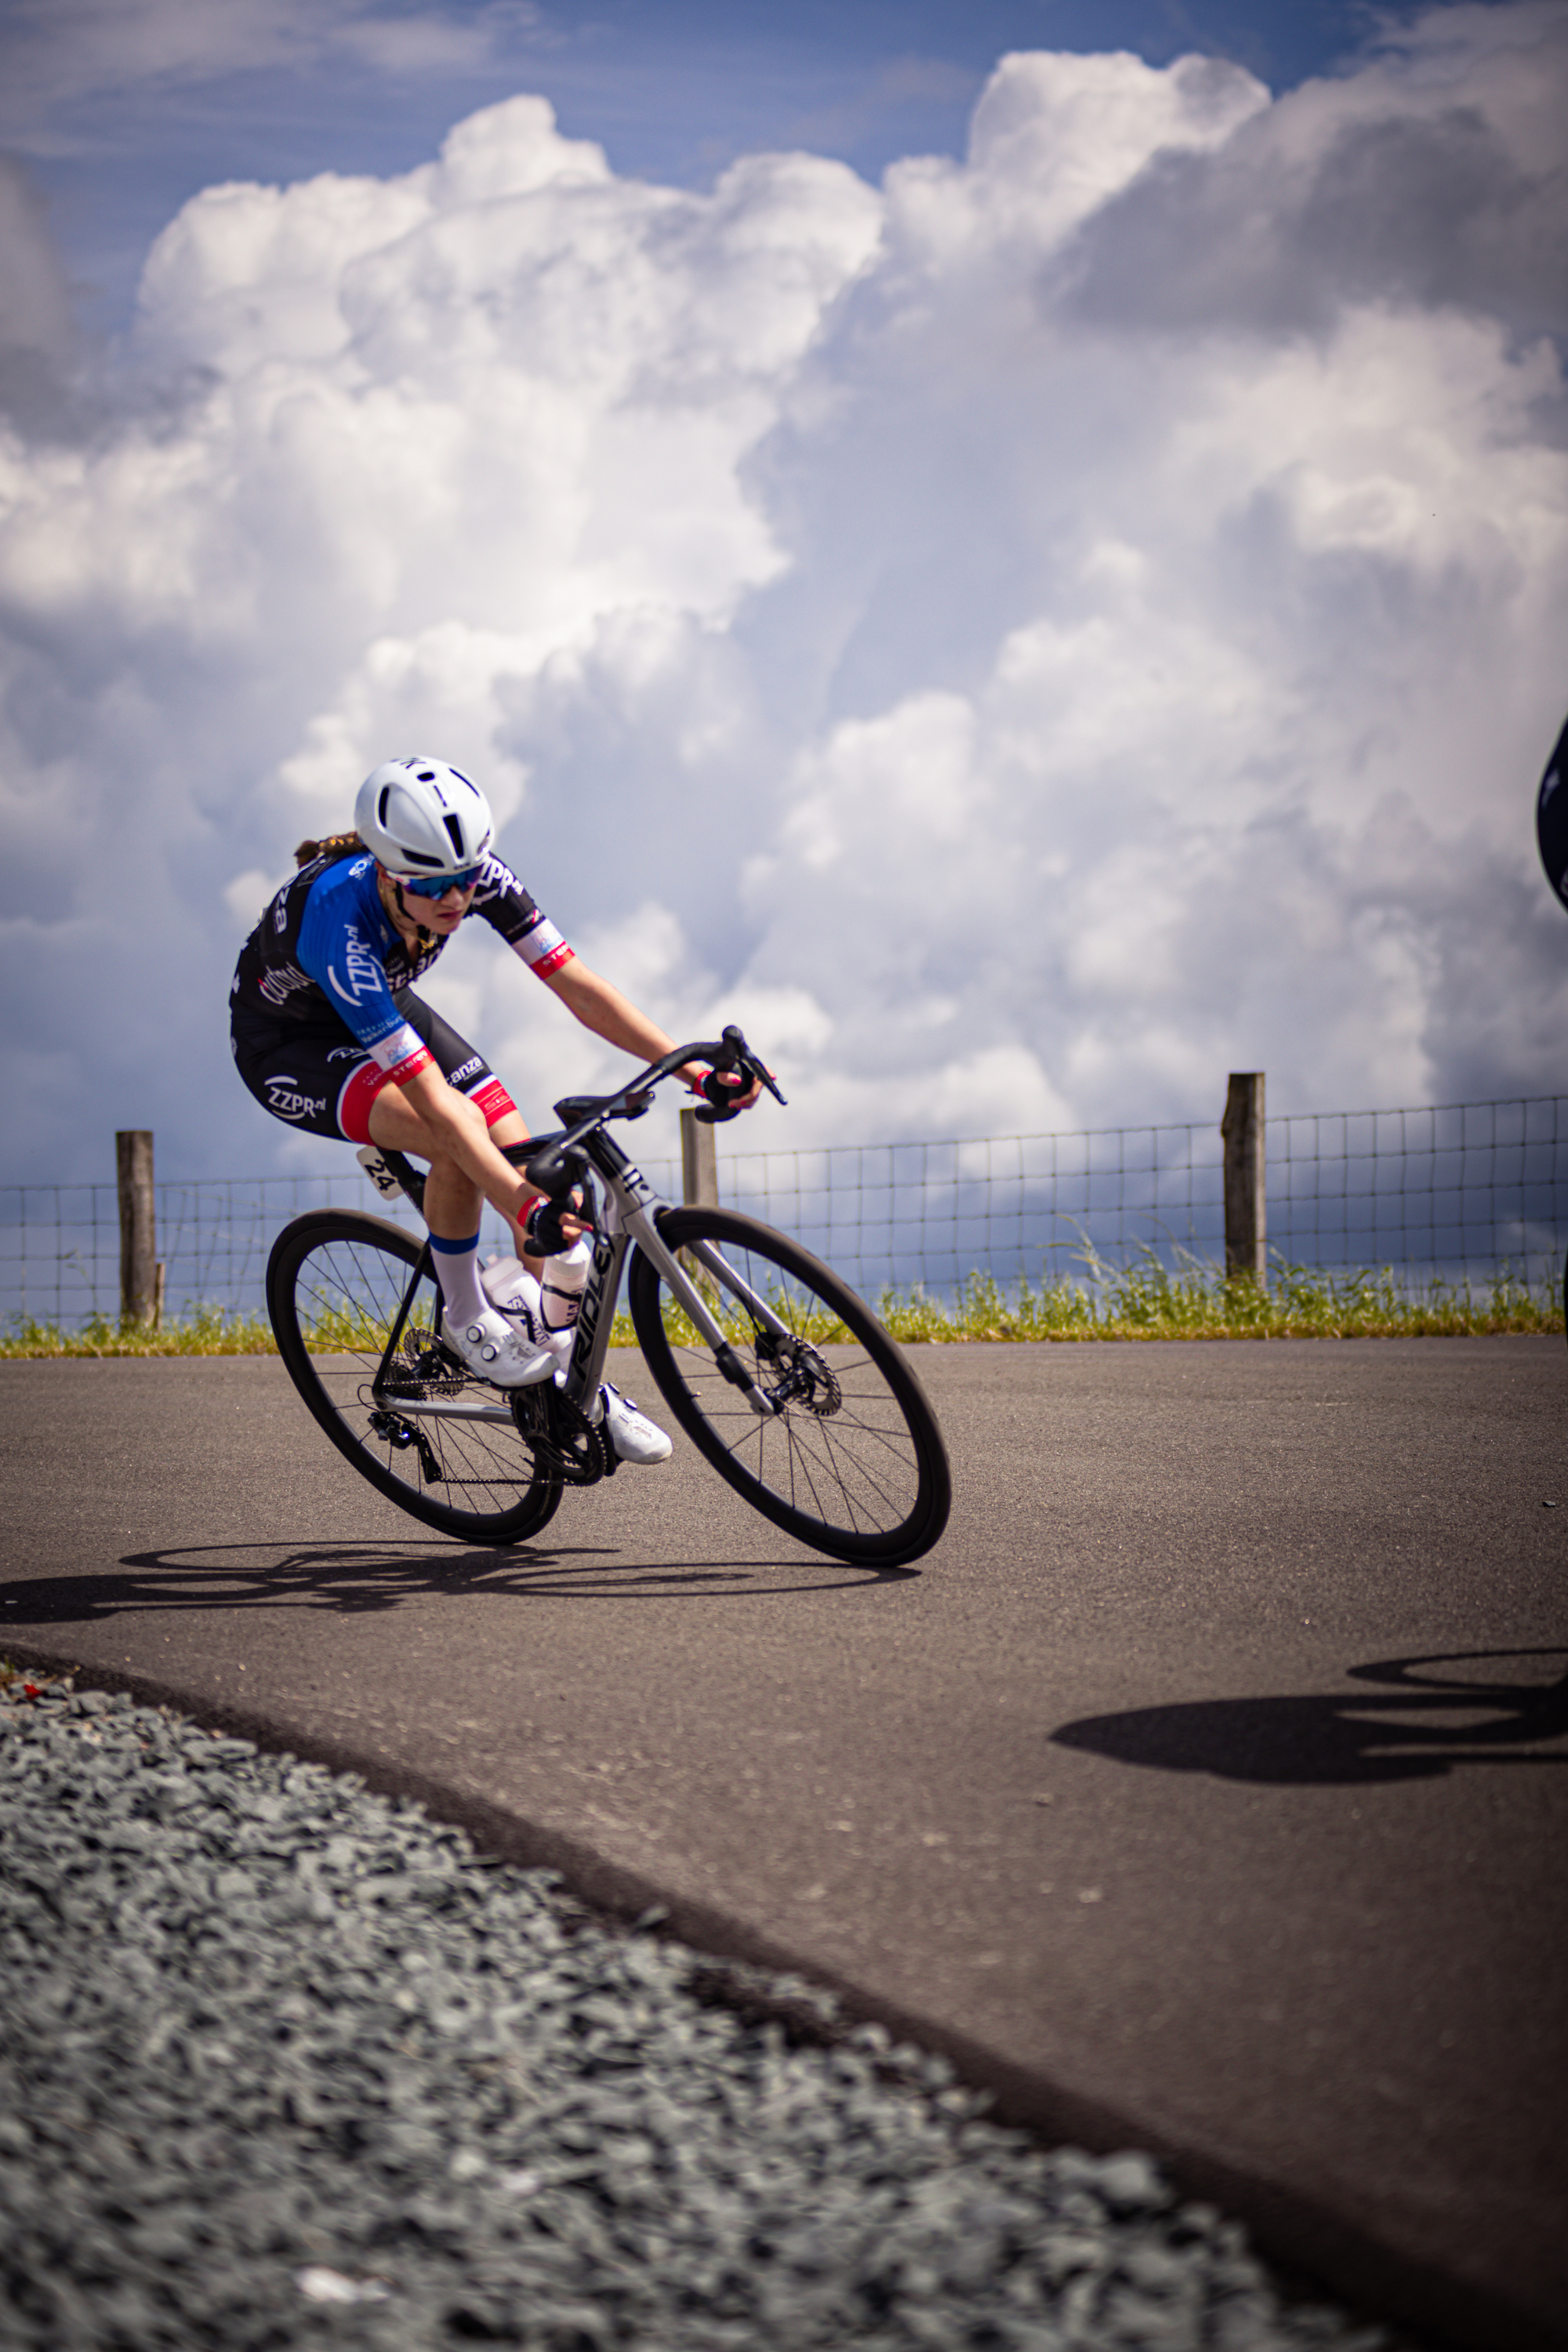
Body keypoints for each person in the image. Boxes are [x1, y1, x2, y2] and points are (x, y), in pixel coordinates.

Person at [230, 755, 757, 1461]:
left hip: (381, 1005)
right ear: (389, 876)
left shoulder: (470, 870)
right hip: (291, 1047)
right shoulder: (340, 926)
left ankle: (568, 1388)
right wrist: (519, 1204)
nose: (458, 899)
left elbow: (572, 982)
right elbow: (438, 1109)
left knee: (526, 1173)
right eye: (438, 887)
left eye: (468, 879)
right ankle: (468, 1314)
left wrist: (691, 1064)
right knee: (461, 1144)